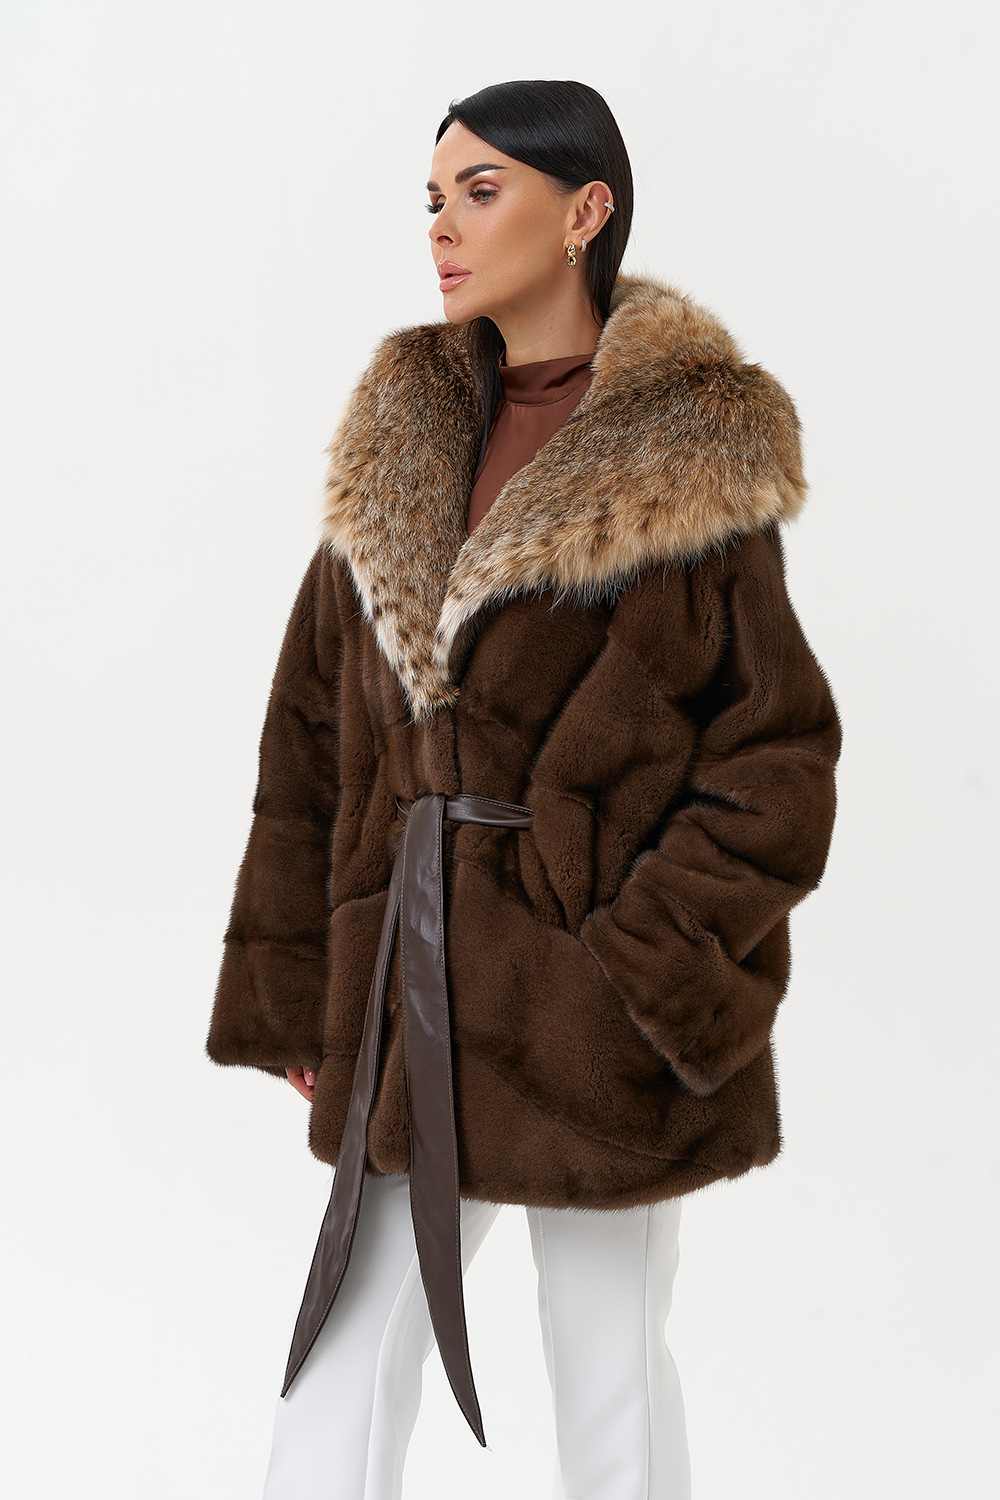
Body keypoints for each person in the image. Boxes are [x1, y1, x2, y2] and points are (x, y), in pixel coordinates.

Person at [205, 78, 842, 1500]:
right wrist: (297, 981)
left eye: (480, 192)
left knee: (608, 1372)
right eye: (433, 198)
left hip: (594, 1007)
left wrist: (646, 955)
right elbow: (312, 725)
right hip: (408, 976)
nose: (442, 226)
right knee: (343, 1357)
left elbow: (776, 752)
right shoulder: (401, 442)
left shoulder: (686, 462)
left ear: (584, 212)